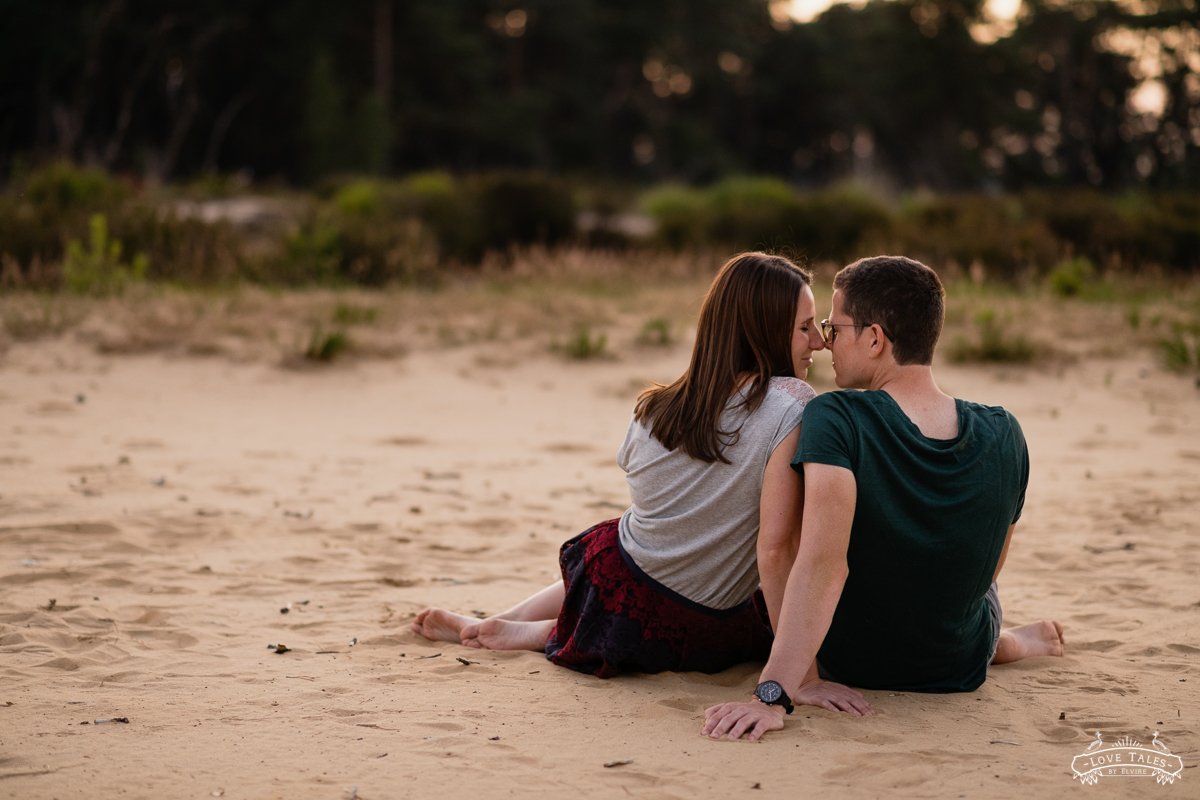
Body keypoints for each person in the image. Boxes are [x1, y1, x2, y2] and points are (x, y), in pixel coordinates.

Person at [411, 254, 858, 698]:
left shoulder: (654, 406)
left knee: (631, 538)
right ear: (762, 329)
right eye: (805, 327)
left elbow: (653, 493)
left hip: (612, 583)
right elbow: (776, 550)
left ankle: (502, 621)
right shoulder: (794, 403)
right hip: (678, 625)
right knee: (741, 600)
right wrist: (802, 678)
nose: (818, 343)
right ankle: (538, 630)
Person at [702, 255, 1065, 741]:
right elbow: (989, 570)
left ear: (874, 339)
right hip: (956, 662)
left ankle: (1012, 640)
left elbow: (823, 566)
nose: (826, 341)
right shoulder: (1005, 431)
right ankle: (1012, 643)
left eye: (835, 327)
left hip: (852, 661)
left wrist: (772, 696)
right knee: (972, 581)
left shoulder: (836, 416)